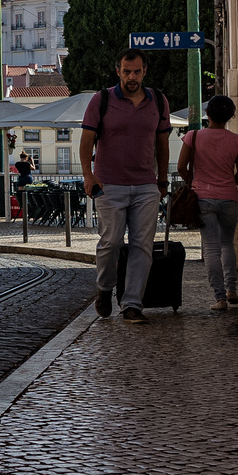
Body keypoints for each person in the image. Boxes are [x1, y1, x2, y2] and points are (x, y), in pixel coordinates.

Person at [81, 48, 172, 324]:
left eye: (137, 71)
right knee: (110, 242)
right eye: (126, 71)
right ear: (118, 71)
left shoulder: (158, 100)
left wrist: (162, 179)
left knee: (142, 245)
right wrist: (88, 175)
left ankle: (132, 304)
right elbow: (86, 142)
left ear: (145, 71)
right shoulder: (102, 100)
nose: (132, 77)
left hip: (145, 185)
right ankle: (105, 288)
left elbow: (162, 143)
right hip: (110, 185)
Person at [176, 95, 238, 311]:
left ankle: (219, 298)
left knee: (212, 248)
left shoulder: (192, 137)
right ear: (231, 116)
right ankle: (232, 289)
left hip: (202, 198)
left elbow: (181, 167)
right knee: (227, 244)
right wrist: (227, 183)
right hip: (230, 198)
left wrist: (195, 181)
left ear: (208, 114)